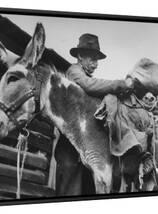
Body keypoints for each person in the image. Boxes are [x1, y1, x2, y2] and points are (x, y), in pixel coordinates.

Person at [54, 33, 149, 196]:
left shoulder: (83, 73)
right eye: (92, 58)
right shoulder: (74, 72)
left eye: (97, 60)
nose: (95, 64)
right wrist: (120, 84)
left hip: (83, 141)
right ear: (80, 56)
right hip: (70, 142)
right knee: (69, 187)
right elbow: (89, 85)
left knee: (86, 184)